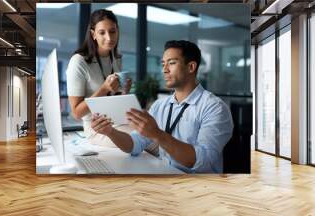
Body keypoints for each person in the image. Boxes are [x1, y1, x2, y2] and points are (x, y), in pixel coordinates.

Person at [91, 40, 233, 173]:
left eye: (171, 63)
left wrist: (156, 133)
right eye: (163, 63)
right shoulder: (160, 106)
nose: (164, 69)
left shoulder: (215, 108)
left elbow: (203, 161)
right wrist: (110, 132)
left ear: (191, 67)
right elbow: (134, 145)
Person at [66, 9, 132, 146]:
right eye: (102, 32)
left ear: (117, 31)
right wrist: (103, 89)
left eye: (112, 31)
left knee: (152, 131)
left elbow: (114, 100)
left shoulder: (116, 58)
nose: (109, 37)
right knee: (143, 139)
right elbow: (76, 113)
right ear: (93, 34)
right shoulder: (78, 61)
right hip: (96, 128)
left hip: (117, 120)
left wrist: (124, 91)